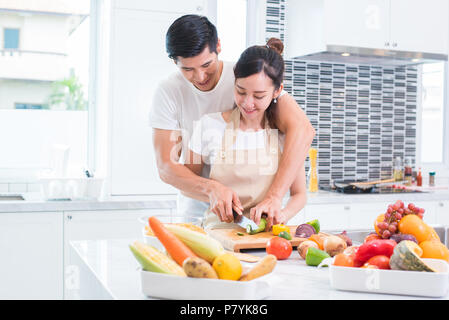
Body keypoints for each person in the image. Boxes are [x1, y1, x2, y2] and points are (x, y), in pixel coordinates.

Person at [149, 14, 314, 225]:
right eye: (187, 69)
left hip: (255, 222)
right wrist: (211, 189)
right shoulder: (169, 92)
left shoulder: (247, 75)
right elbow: (166, 167)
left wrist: (275, 198)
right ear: (175, 62)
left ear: (218, 46)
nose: (200, 77)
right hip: (199, 207)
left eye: (206, 64)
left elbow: (302, 130)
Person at [185, 38, 307, 230]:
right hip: (217, 238)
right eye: (241, 92)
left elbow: (299, 194)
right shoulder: (208, 126)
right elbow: (187, 183)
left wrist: (281, 214)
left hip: (268, 240)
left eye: (259, 96)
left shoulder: (285, 136)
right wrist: (212, 192)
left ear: (277, 91)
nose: (248, 103)